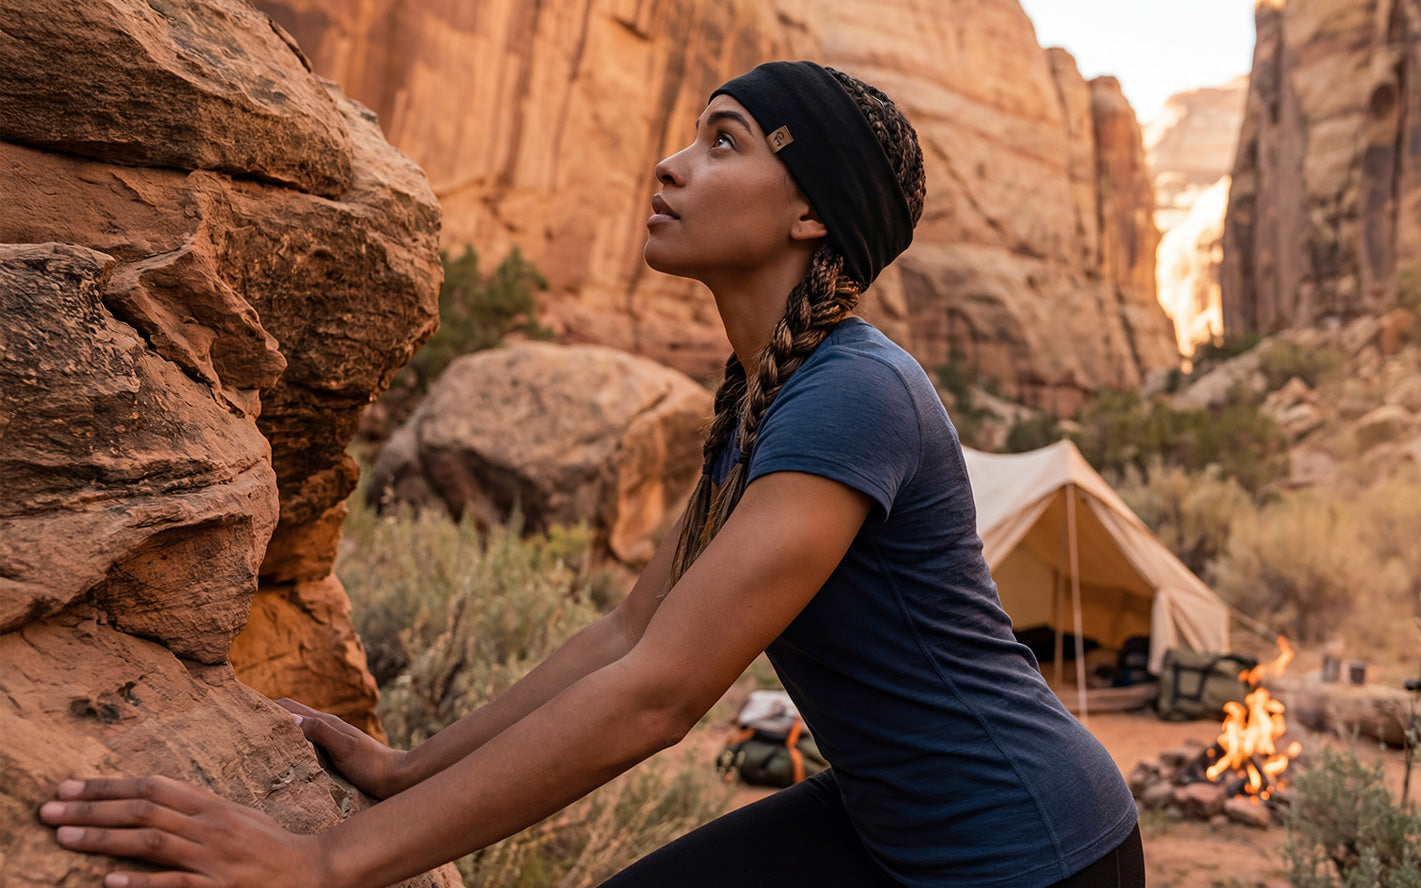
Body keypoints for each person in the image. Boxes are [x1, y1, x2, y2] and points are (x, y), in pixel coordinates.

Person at [39, 60, 1143, 888]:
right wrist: (400, 772)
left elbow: (659, 694)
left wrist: (326, 865)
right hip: (890, 817)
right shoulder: (765, 393)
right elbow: (625, 635)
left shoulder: (858, 393)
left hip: (1027, 846)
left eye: (725, 142)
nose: (670, 165)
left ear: (810, 210)